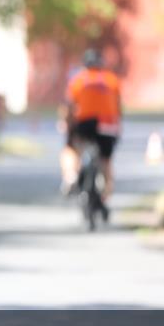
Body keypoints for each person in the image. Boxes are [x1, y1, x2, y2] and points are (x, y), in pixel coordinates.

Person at [59, 48, 122, 212]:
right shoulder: (112, 80)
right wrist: (118, 127)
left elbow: (69, 106)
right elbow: (118, 107)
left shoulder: (78, 80)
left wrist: (65, 123)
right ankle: (107, 191)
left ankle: (71, 177)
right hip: (108, 124)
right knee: (106, 159)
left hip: (85, 123)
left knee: (70, 148)